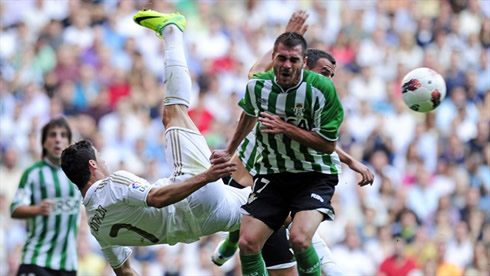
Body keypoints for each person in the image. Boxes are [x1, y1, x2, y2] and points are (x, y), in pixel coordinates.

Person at [60, 11, 249, 276]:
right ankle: (172, 31)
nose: (104, 161)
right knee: (173, 113)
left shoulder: (95, 227)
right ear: (92, 164)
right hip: (195, 198)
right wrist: (206, 177)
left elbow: (124, 271)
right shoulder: (112, 185)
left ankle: (237, 236)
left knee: (271, 204)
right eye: (100, 158)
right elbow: (157, 199)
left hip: (203, 227)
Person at [210, 30, 346, 275]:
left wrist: (285, 127)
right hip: (270, 172)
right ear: (274, 59)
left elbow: (328, 144)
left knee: (299, 238)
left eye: (293, 60)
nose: (286, 65)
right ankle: (232, 240)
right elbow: (248, 112)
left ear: (303, 63)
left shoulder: (321, 91)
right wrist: (229, 150)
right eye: (281, 59)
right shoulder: (259, 86)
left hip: (311, 174)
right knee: (247, 240)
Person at [10, 117, 81, 276]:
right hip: (37, 259)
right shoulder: (33, 173)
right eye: (52, 135)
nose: (57, 139)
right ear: (44, 143)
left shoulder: (79, 174)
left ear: (69, 143)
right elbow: (15, 208)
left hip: (67, 263)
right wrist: (37, 209)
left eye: (63, 135)